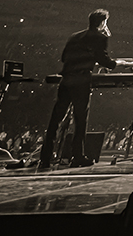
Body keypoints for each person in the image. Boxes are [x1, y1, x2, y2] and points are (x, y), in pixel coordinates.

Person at [39, 9, 118, 170]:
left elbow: (64, 58)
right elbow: (105, 61)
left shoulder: (74, 36)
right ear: (103, 23)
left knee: (56, 120)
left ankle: (45, 158)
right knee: (80, 120)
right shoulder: (100, 37)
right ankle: (77, 156)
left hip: (66, 80)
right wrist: (118, 62)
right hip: (81, 81)